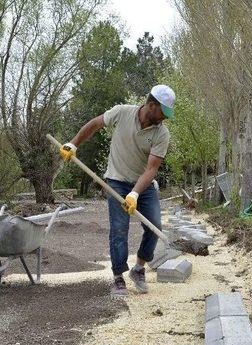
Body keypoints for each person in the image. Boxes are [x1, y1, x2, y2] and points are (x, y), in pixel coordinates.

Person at [59, 84, 175, 296]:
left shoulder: (161, 133)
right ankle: (118, 277)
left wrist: (135, 194)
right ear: (151, 105)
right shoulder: (122, 113)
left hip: (143, 184)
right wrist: (74, 144)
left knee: (154, 224)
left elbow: (151, 168)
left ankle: (138, 269)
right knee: (119, 229)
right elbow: (95, 124)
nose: (164, 118)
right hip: (117, 181)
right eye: (163, 113)